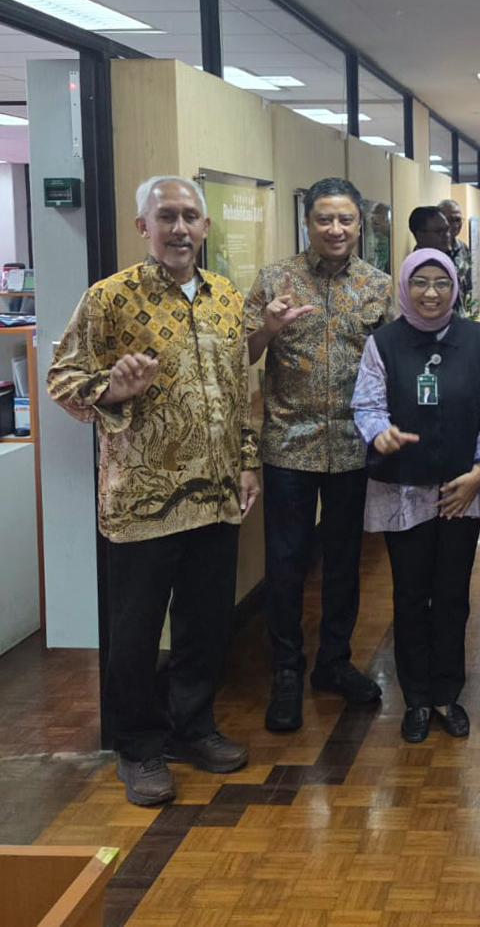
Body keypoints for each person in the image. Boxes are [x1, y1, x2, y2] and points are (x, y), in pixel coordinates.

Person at [47, 175, 258, 806]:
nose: (180, 228)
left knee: (205, 625)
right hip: (142, 503)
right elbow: (62, 378)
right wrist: (112, 388)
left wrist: (248, 463)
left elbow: (239, 389)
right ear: (144, 226)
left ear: (206, 227)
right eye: (167, 216)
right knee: (136, 634)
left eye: (190, 216)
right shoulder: (109, 299)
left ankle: (193, 728)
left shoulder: (226, 297)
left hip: (216, 496)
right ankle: (138, 746)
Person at [352, 249, 480, 742]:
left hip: (461, 492)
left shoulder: (479, 340)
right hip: (402, 489)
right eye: (420, 282)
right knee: (409, 596)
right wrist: (379, 432)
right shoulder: (383, 343)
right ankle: (416, 698)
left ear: (455, 288)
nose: (431, 293)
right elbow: (367, 404)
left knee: (451, 595)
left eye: (441, 283)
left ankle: (447, 693)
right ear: (405, 286)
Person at [245, 177, 394, 733]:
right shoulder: (275, 279)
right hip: (288, 444)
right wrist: (268, 328)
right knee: (285, 563)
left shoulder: (378, 286)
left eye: (345, 219)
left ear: (359, 225)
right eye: (324, 219)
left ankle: (334, 661)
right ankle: (286, 670)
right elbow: (243, 354)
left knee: (343, 561)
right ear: (307, 222)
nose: (335, 229)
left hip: (353, 446)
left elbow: (393, 362)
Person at [438, 198, 474, 309]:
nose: (455, 225)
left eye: (458, 220)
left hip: (458, 314)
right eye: (449, 220)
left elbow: (466, 288)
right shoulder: (429, 250)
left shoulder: (463, 249)